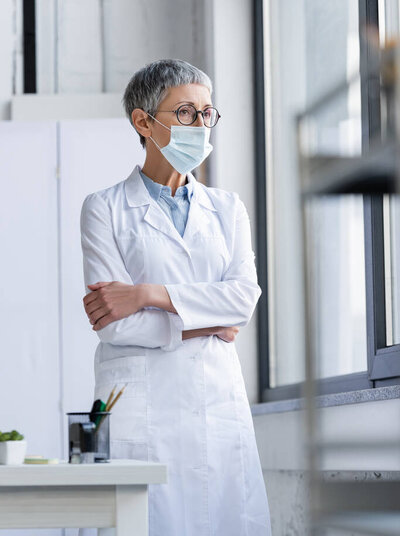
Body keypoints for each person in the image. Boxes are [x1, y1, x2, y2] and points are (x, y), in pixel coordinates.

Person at [80, 59, 272, 535]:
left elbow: (244, 300)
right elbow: (116, 322)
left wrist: (148, 293)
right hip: (143, 408)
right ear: (143, 122)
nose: (201, 125)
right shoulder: (103, 207)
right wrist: (211, 322)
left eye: (208, 113)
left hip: (215, 403)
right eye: (186, 112)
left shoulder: (227, 209)